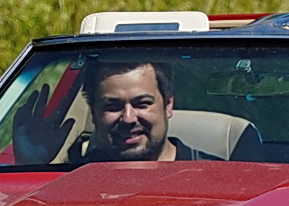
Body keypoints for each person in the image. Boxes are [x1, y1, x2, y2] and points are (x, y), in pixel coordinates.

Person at [12, 59, 220, 164]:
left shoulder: (216, 181)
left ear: (168, 105)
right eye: (113, 106)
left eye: (142, 104)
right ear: (93, 113)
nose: (128, 118)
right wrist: (29, 165)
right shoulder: (77, 181)